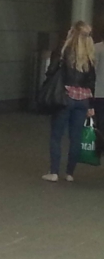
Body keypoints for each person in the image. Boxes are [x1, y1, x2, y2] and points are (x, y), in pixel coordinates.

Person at [42, 21, 96, 183]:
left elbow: (50, 71)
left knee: (56, 136)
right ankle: (70, 173)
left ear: (72, 32)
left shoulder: (63, 51)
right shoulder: (89, 56)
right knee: (76, 136)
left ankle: (54, 172)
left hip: (64, 98)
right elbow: (91, 82)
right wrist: (91, 105)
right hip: (83, 100)